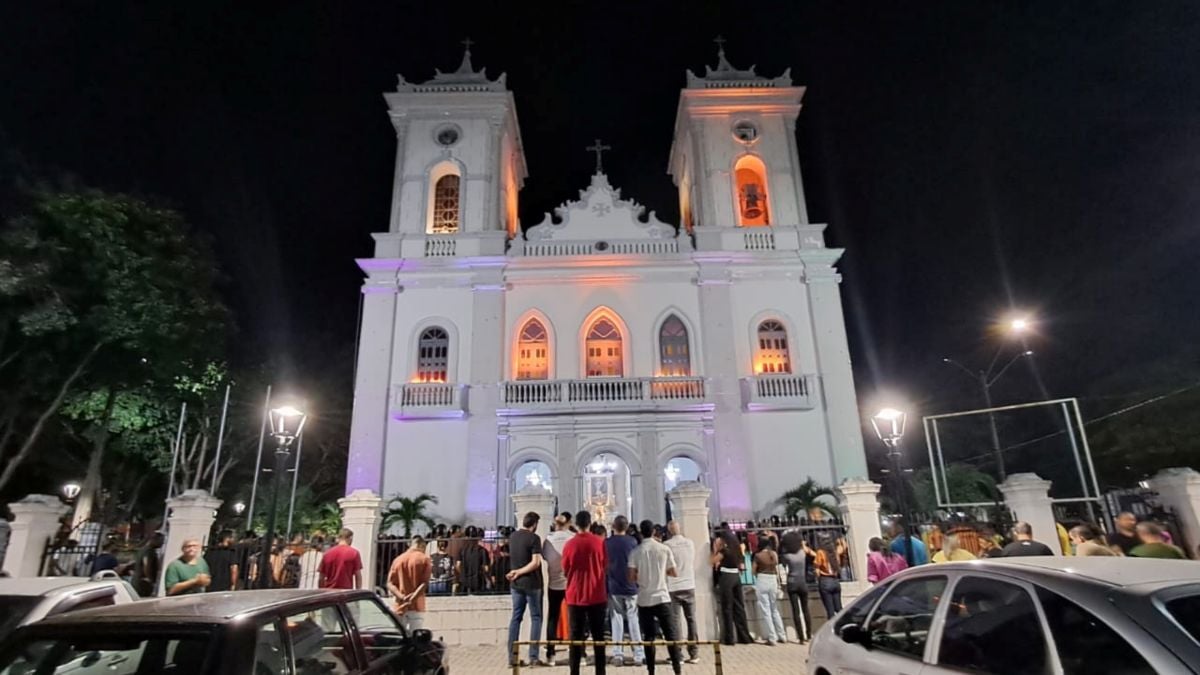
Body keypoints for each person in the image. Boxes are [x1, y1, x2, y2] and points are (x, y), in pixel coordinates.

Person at [628, 520, 682, 674]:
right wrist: (660, 572)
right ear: (653, 531)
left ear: (641, 532)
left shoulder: (635, 552)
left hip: (644, 599)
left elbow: (631, 577)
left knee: (649, 637)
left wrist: (642, 575)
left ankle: (651, 670)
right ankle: (677, 668)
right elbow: (674, 572)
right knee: (670, 635)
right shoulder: (664, 549)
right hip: (662, 597)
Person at [562, 510, 608, 675]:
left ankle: (574, 671)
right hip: (597, 594)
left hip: (575, 595)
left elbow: (565, 569)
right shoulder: (600, 543)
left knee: (575, 637)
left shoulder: (569, 544)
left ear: (576, 524)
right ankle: (600, 671)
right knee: (599, 637)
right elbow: (605, 566)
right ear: (589, 524)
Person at [505, 512, 546, 668]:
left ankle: (512, 657)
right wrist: (520, 572)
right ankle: (533, 656)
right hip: (532, 584)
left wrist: (516, 573)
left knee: (516, 618)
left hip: (516, 584)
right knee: (536, 618)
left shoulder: (513, 537)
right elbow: (535, 563)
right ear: (534, 524)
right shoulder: (534, 539)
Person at [605, 515, 645, 667]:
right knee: (634, 619)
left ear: (614, 527)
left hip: (614, 585)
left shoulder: (607, 543)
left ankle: (618, 655)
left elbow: (605, 565)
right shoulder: (633, 542)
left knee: (617, 620)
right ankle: (638, 655)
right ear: (626, 527)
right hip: (631, 585)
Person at [664, 521, 700, 663]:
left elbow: (667, 566)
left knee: (676, 621)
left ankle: (678, 654)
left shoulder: (667, 545)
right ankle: (694, 653)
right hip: (689, 584)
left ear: (669, 531)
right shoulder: (690, 543)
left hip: (674, 586)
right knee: (691, 620)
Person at [711, 528, 754, 645]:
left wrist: (715, 550)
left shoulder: (725, 551)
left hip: (726, 577)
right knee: (739, 607)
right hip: (736, 577)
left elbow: (711, 561)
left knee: (727, 608)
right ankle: (744, 636)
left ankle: (729, 638)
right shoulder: (737, 550)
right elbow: (741, 566)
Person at [543, 513, 575, 666]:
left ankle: (551, 654)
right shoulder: (572, 539)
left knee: (552, 618)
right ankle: (577, 652)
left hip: (553, 583)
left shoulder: (548, 540)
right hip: (570, 583)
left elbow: (545, 558)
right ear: (568, 523)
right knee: (574, 617)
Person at [387, 536, 433, 631]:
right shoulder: (424, 559)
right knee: (416, 636)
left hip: (399, 605)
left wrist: (402, 597)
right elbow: (424, 583)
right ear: (421, 545)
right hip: (416, 605)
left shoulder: (398, 560)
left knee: (400, 636)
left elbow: (390, 583)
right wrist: (413, 598)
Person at [752, 537, 787, 646]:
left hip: (762, 579)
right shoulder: (774, 554)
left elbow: (753, 571)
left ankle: (772, 637)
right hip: (773, 580)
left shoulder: (758, 556)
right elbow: (776, 568)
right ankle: (782, 635)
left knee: (766, 610)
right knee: (774, 609)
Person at [780, 531, 813, 643]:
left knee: (796, 611)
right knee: (806, 610)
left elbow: (782, 562)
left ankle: (801, 637)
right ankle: (809, 634)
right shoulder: (802, 553)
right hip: (802, 582)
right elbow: (809, 551)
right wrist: (802, 544)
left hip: (792, 583)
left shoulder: (787, 556)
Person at [812, 536, 843, 619]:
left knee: (830, 611)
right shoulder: (835, 553)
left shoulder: (820, 553)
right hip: (835, 581)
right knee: (839, 608)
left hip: (825, 580)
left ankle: (832, 629)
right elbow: (842, 549)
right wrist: (840, 543)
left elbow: (817, 567)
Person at [457, 526, 491, 594]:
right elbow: (486, 568)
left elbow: (458, 565)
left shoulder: (462, 550)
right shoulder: (482, 550)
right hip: (478, 580)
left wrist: (462, 574)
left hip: (464, 581)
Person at [132, 531, 164, 597]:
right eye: (161, 541)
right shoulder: (149, 551)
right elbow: (146, 565)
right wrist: (150, 579)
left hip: (138, 581)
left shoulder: (142, 550)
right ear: (153, 540)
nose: (162, 543)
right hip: (143, 583)